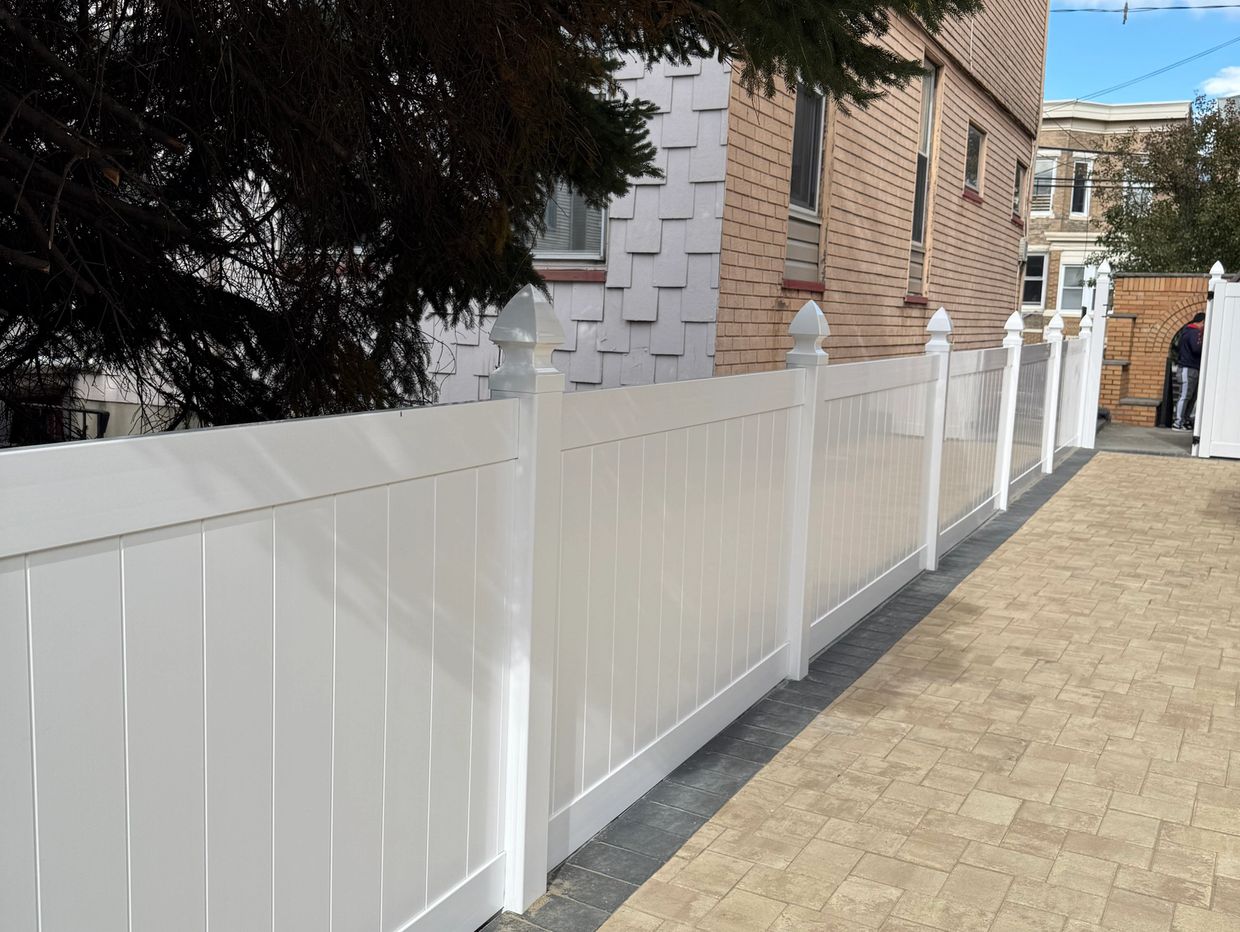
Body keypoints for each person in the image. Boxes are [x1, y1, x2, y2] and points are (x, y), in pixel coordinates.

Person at [1173, 312, 1205, 430]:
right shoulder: (1194, 332)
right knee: (1185, 396)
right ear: (1202, 322)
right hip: (1187, 368)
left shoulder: (1188, 332)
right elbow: (1196, 349)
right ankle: (1178, 422)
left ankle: (1184, 420)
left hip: (1192, 368)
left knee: (1191, 397)